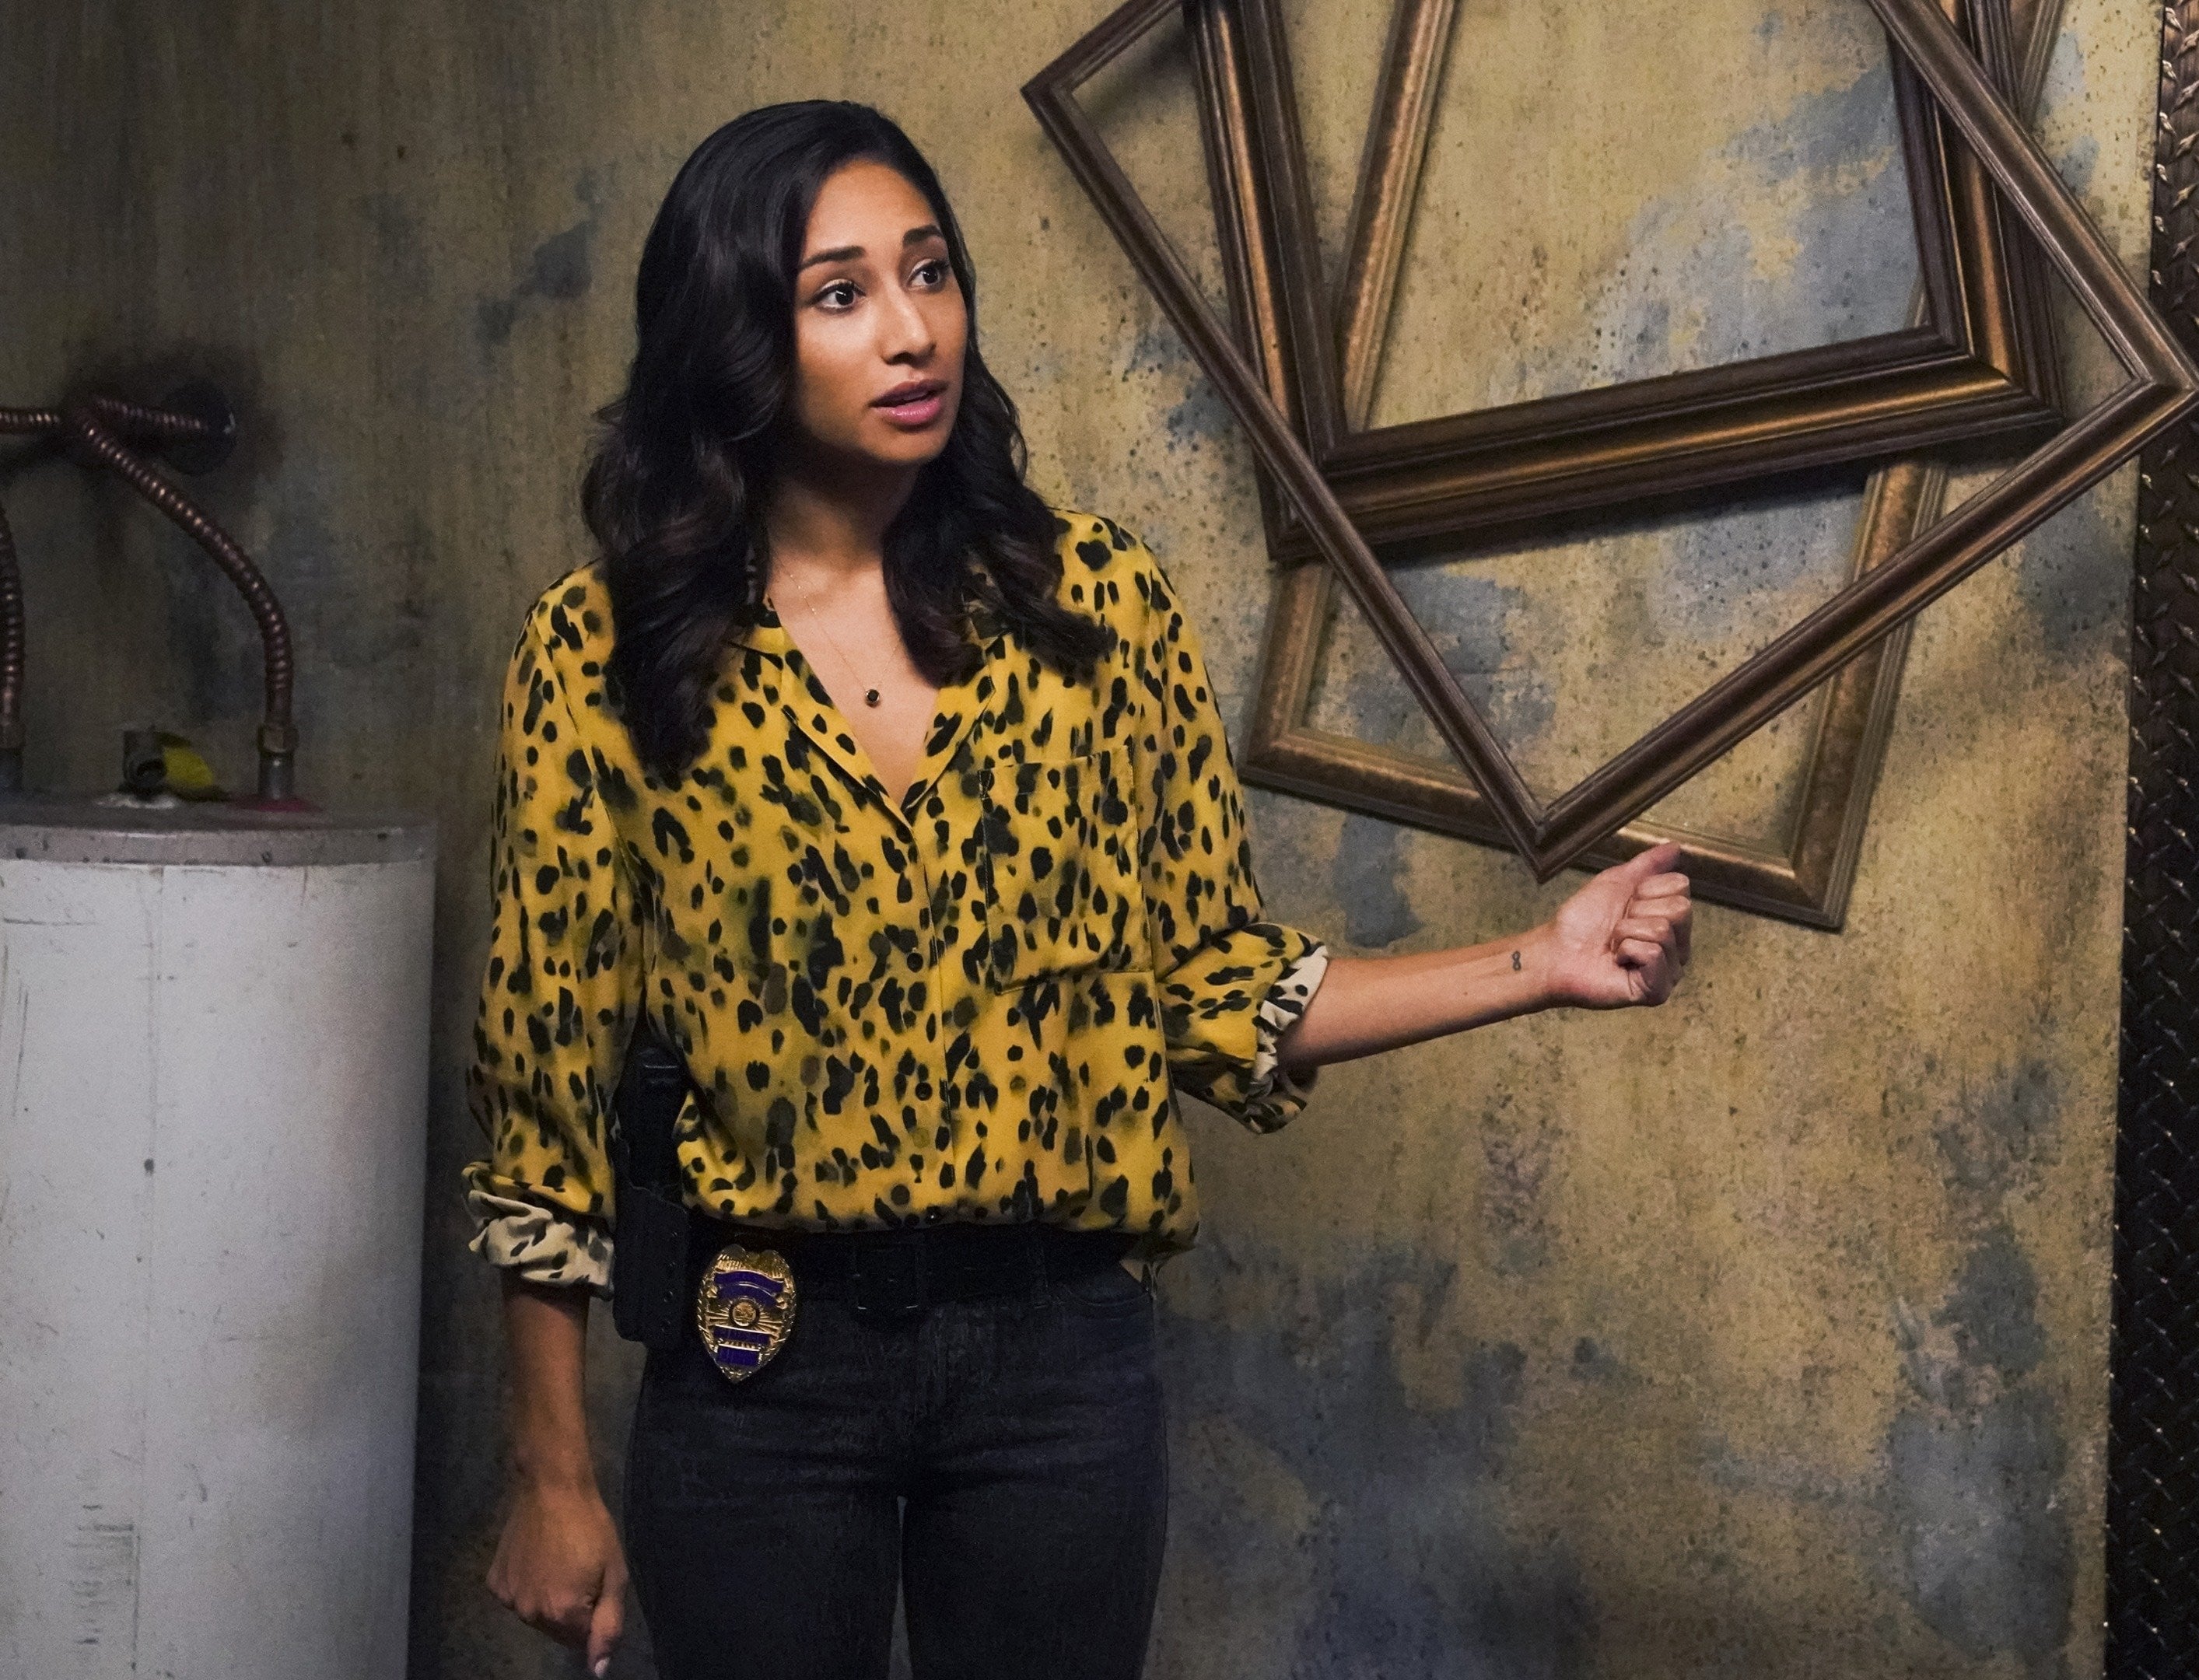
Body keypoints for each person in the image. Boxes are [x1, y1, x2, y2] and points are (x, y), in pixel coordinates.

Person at [464, 100, 1693, 1680]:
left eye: (930, 272)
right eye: (841, 293)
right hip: (759, 1358)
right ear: (736, 337)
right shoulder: (608, 652)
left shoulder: (1093, 605)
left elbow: (1212, 985)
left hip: (1053, 1367)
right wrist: (553, 1476)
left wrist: (1542, 960)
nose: (912, 331)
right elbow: (545, 1095)